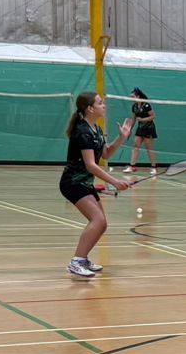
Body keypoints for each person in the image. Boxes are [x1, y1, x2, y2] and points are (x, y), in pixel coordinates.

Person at [61, 93, 136, 278]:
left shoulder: (96, 129)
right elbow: (90, 165)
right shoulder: (82, 131)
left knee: (101, 224)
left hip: (84, 183)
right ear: (90, 109)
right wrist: (115, 182)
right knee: (99, 221)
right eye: (100, 103)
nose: (104, 106)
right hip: (73, 182)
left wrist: (122, 138)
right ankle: (77, 261)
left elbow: (106, 155)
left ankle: (83, 258)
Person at [125, 88, 159, 174]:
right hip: (140, 128)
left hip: (149, 128)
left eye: (132, 96)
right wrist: (129, 130)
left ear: (138, 96)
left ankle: (153, 167)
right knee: (135, 146)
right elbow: (133, 119)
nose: (131, 98)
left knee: (149, 149)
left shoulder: (146, 105)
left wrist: (143, 120)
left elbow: (153, 116)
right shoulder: (134, 106)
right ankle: (132, 166)